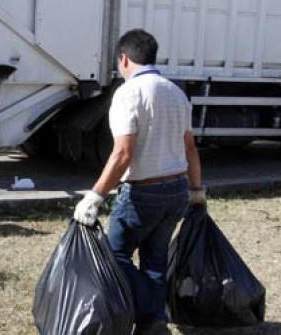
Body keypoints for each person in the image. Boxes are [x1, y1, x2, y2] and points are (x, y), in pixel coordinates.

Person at [71, 29, 206, 333]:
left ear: (124, 59)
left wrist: (95, 196)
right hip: (176, 190)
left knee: (114, 258)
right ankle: (152, 323)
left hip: (142, 193)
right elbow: (189, 148)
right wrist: (196, 190)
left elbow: (123, 153)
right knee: (155, 261)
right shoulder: (175, 93)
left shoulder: (128, 93)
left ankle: (146, 312)